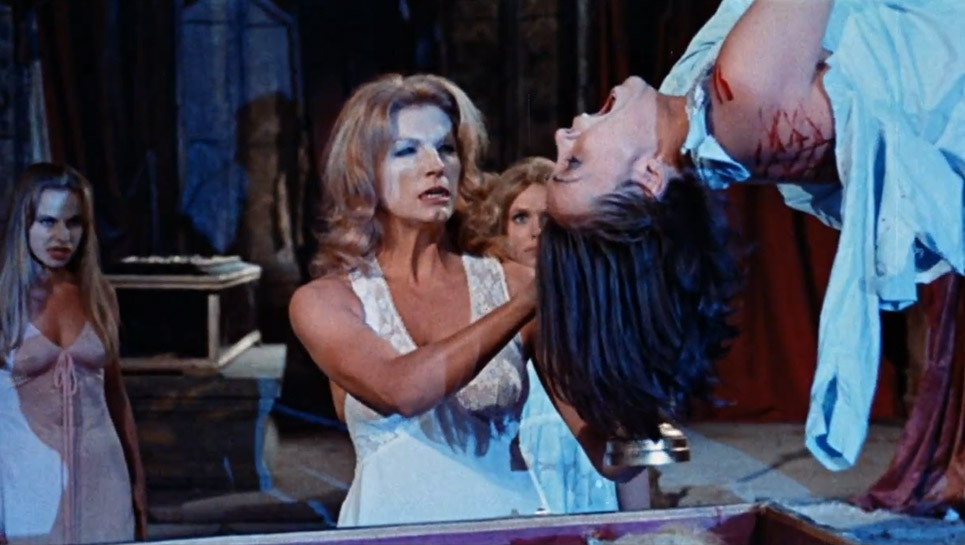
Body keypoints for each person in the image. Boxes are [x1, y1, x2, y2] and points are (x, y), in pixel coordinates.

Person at [539, 0, 965, 471]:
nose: (561, 136)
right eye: (574, 163)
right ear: (648, 179)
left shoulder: (704, 123)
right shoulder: (741, 97)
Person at [289, 74, 639, 527]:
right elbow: (402, 391)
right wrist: (530, 299)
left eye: (447, 148)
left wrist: (644, 363)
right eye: (407, 150)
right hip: (384, 531)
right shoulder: (327, 301)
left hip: (505, 530)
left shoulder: (511, 283)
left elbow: (609, 455)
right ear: (364, 172)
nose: (435, 165)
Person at [463, 156, 622, 515]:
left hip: (589, 480)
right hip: (512, 490)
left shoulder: (594, 313)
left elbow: (624, 438)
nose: (536, 231)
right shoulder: (481, 315)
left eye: (548, 218)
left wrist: (638, 527)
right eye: (521, 217)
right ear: (500, 227)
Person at [0, 163, 147, 544]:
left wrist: (137, 485)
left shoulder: (99, 295)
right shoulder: (4, 302)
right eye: (48, 221)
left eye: (74, 222)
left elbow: (115, 397)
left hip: (104, 480)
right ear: (24, 224)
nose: (62, 236)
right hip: (27, 488)